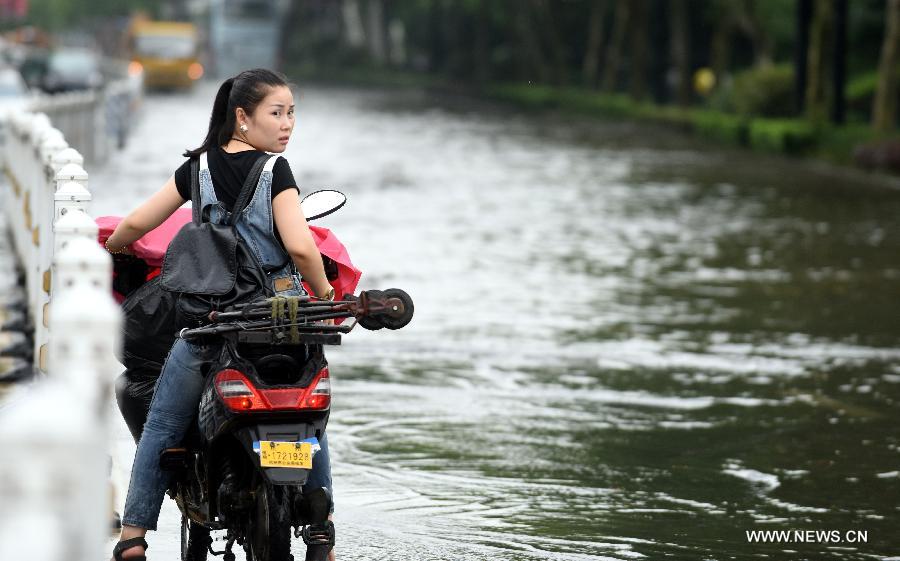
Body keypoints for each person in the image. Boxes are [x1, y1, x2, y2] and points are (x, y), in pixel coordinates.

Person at [107, 69, 336, 561]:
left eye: (292, 113)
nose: (287, 123)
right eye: (277, 112)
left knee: (163, 425)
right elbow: (301, 247)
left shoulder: (198, 169)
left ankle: (133, 536)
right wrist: (325, 294)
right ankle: (322, 532)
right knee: (310, 419)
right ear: (242, 116)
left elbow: (137, 222)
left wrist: (115, 248)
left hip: (210, 326)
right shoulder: (276, 172)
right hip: (279, 326)